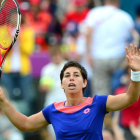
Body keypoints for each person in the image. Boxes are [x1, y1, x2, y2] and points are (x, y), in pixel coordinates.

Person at [0, 44, 140, 140]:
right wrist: (3, 102)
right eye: (67, 76)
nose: (71, 78)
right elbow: (25, 123)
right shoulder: (53, 110)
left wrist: (135, 73)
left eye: (76, 75)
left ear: (85, 82)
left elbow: (130, 97)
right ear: (62, 84)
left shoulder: (98, 103)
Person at [85, 0, 139, 96]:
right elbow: (135, 38)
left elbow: (88, 33)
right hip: (119, 58)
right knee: (118, 92)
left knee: (101, 94)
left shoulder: (94, 13)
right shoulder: (125, 16)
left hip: (98, 57)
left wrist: (88, 53)